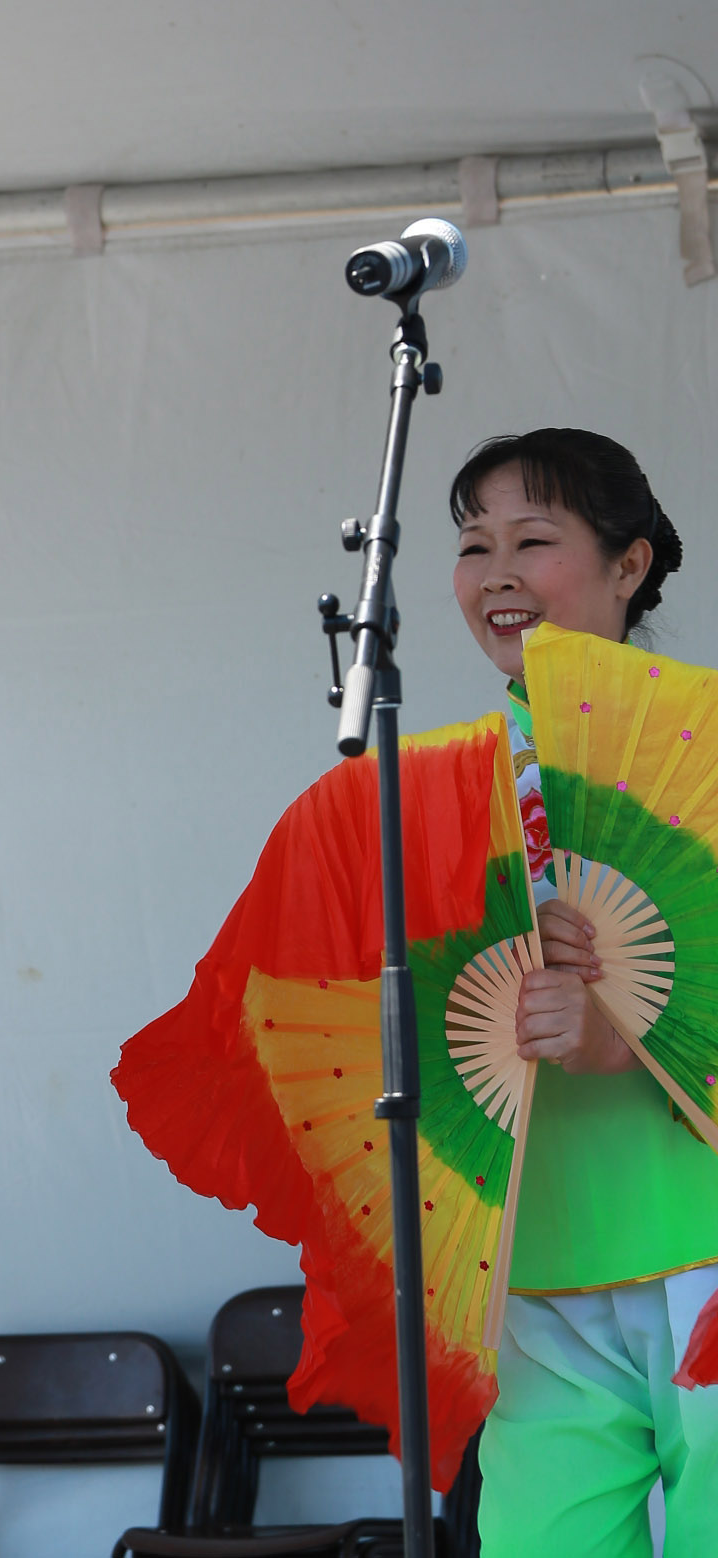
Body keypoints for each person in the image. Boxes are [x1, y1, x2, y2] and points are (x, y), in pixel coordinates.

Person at [450, 428, 718, 1556]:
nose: (496, 573)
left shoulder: (707, 744)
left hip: (701, 1236)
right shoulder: (436, 783)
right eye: (474, 545)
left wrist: (627, 1036)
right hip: (533, 1255)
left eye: (533, 540)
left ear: (630, 563)